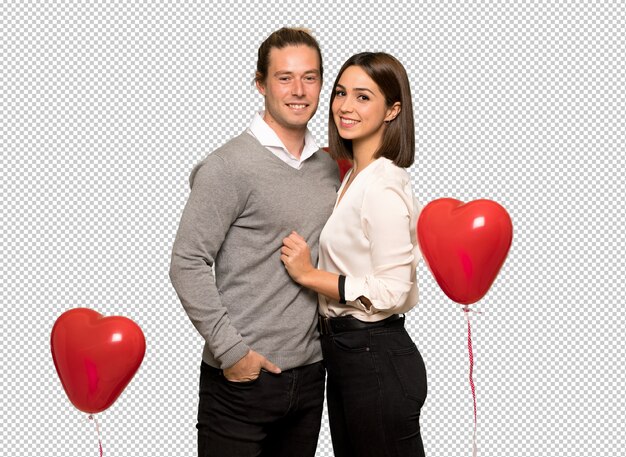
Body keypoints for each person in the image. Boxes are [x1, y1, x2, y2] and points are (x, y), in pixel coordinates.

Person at [169, 28, 339, 457]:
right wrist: (232, 353)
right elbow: (187, 261)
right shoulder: (228, 166)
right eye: (284, 78)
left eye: (310, 77)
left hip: (310, 378)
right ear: (260, 83)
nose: (299, 91)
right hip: (242, 380)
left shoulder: (328, 168)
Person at [281, 52, 428, 457]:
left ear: (392, 110)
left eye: (364, 97)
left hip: (375, 353)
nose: (345, 106)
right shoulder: (352, 177)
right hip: (348, 355)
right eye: (341, 93)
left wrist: (310, 275)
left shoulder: (382, 184)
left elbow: (392, 289)